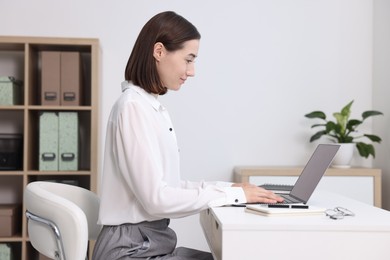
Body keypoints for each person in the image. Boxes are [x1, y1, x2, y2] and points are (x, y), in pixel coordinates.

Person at [92, 11, 283, 260]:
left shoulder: (149, 107)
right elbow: (156, 200)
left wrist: (231, 188)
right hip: (131, 250)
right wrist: (231, 195)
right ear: (159, 51)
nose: (191, 71)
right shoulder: (132, 108)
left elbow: (168, 186)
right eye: (188, 59)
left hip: (144, 243)